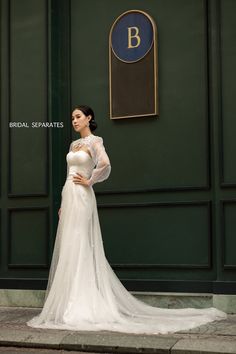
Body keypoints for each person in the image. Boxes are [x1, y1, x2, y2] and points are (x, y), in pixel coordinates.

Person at [27, 105, 227, 334]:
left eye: (78, 117)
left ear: (88, 118)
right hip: (69, 196)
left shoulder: (95, 141)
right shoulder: (73, 145)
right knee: (70, 244)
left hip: (82, 196)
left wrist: (90, 181)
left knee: (81, 242)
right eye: (72, 117)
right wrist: (63, 203)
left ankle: (83, 303)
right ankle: (69, 301)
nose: (74, 121)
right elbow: (68, 174)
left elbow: (106, 164)